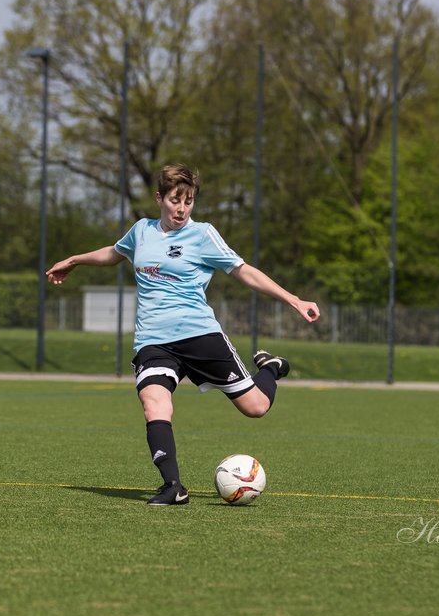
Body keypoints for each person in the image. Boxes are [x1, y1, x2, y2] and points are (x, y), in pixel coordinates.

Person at [45, 163, 321, 505]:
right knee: (154, 403)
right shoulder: (141, 231)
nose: (182, 208)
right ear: (159, 198)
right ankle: (173, 486)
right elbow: (115, 254)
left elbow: (244, 272)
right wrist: (74, 260)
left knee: (256, 407)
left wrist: (293, 299)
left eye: (189, 201)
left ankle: (270, 368)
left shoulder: (202, 235)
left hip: (199, 335)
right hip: (153, 340)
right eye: (176, 199)